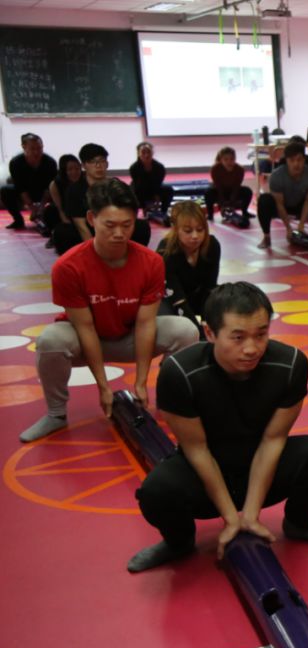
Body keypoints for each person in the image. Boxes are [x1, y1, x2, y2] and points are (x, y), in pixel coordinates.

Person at [127, 282, 308, 572]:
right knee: (155, 491)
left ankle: (299, 525)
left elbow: (273, 440)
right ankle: (178, 543)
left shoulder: (291, 364)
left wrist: (251, 515)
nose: (251, 348)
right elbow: (197, 449)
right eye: (238, 337)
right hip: (206, 470)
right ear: (209, 333)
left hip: (262, 467)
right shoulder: (179, 373)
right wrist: (232, 518)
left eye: (261, 334)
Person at [19, 179, 199, 443]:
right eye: (110, 225)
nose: (119, 234)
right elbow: (85, 327)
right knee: (50, 341)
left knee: (186, 331)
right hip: (85, 339)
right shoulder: (68, 268)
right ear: (92, 218)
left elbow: (146, 324)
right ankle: (56, 414)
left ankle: (167, 399)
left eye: (126, 225)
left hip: (129, 337)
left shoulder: (151, 263)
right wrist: (103, 387)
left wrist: (140, 381)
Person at [53, 144, 151, 255]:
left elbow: (131, 212)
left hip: (116, 226)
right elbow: (81, 225)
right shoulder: (75, 190)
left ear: (107, 164)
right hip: (90, 230)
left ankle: (131, 257)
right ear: (84, 165)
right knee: (63, 232)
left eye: (102, 161)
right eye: (93, 162)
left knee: (141, 226)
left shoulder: (117, 185)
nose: (98, 166)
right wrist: (96, 252)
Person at [256, 141, 308, 250]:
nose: (296, 164)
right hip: (283, 206)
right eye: (292, 160)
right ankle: (266, 237)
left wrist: (301, 227)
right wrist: (288, 229)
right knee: (264, 200)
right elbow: (279, 204)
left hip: (300, 205)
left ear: (304, 160)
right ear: (287, 161)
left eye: (299, 160)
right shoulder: (276, 176)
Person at [157, 201, 221, 335]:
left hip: (197, 295)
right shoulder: (165, 252)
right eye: (188, 231)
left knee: (223, 300)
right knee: (184, 331)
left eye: (200, 229)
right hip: (170, 299)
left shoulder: (212, 245)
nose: (195, 236)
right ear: (175, 229)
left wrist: (207, 324)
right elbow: (177, 299)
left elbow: (209, 288)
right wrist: (199, 334)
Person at [2, 132, 58, 230]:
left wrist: (41, 207)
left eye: (39, 148)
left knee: (60, 189)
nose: (36, 152)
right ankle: (18, 220)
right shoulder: (16, 163)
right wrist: (32, 208)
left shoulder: (50, 162)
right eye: (32, 149)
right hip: (25, 192)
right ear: (24, 147)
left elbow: (49, 187)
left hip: (44, 192)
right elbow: (20, 187)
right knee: (5, 190)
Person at [205, 146, 253, 223]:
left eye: (232, 159)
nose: (229, 162)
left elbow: (236, 187)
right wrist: (222, 205)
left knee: (247, 191)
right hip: (219, 191)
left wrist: (232, 204)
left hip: (233, 191)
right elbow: (218, 187)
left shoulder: (240, 170)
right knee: (208, 192)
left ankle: (245, 212)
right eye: (226, 159)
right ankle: (210, 215)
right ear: (221, 160)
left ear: (235, 159)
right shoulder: (215, 169)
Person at [43, 153, 82, 248]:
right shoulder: (56, 184)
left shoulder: (85, 181)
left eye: (77, 169)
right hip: (66, 214)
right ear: (64, 171)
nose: (74, 172)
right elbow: (60, 208)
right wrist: (68, 223)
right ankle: (54, 235)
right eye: (70, 169)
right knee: (50, 211)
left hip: (82, 214)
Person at [128, 141, 174, 215]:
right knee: (132, 192)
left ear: (152, 153)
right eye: (143, 152)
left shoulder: (159, 167)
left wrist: (157, 196)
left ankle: (163, 212)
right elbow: (140, 185)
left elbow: (158, 183)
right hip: (140, 189)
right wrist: (146, 205)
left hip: (154, 188)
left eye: (149, 152)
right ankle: (139, 211)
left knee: (169, 190)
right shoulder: (133, 168)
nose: (146, 155)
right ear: (138, 154)